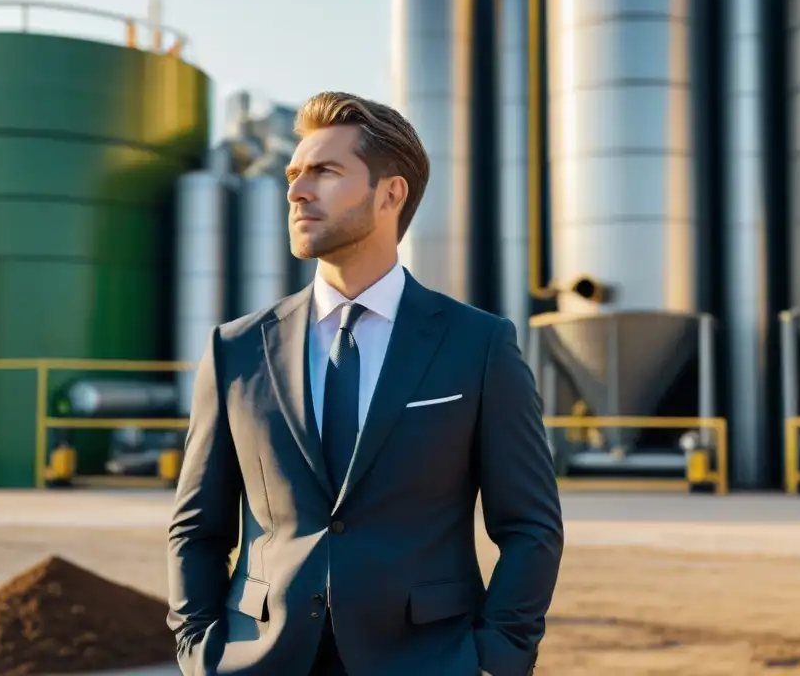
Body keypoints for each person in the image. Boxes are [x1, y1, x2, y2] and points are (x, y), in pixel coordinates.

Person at [166, 91, 564, 676]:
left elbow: (531, 527)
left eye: (325, 172)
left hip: (428, 660)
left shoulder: (478, 345)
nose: (297, 191)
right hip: (258, 660)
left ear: (391, 193)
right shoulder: (236, 349)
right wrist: (200, 652)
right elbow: (197, 527)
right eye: (294, 174)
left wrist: (496, 658)